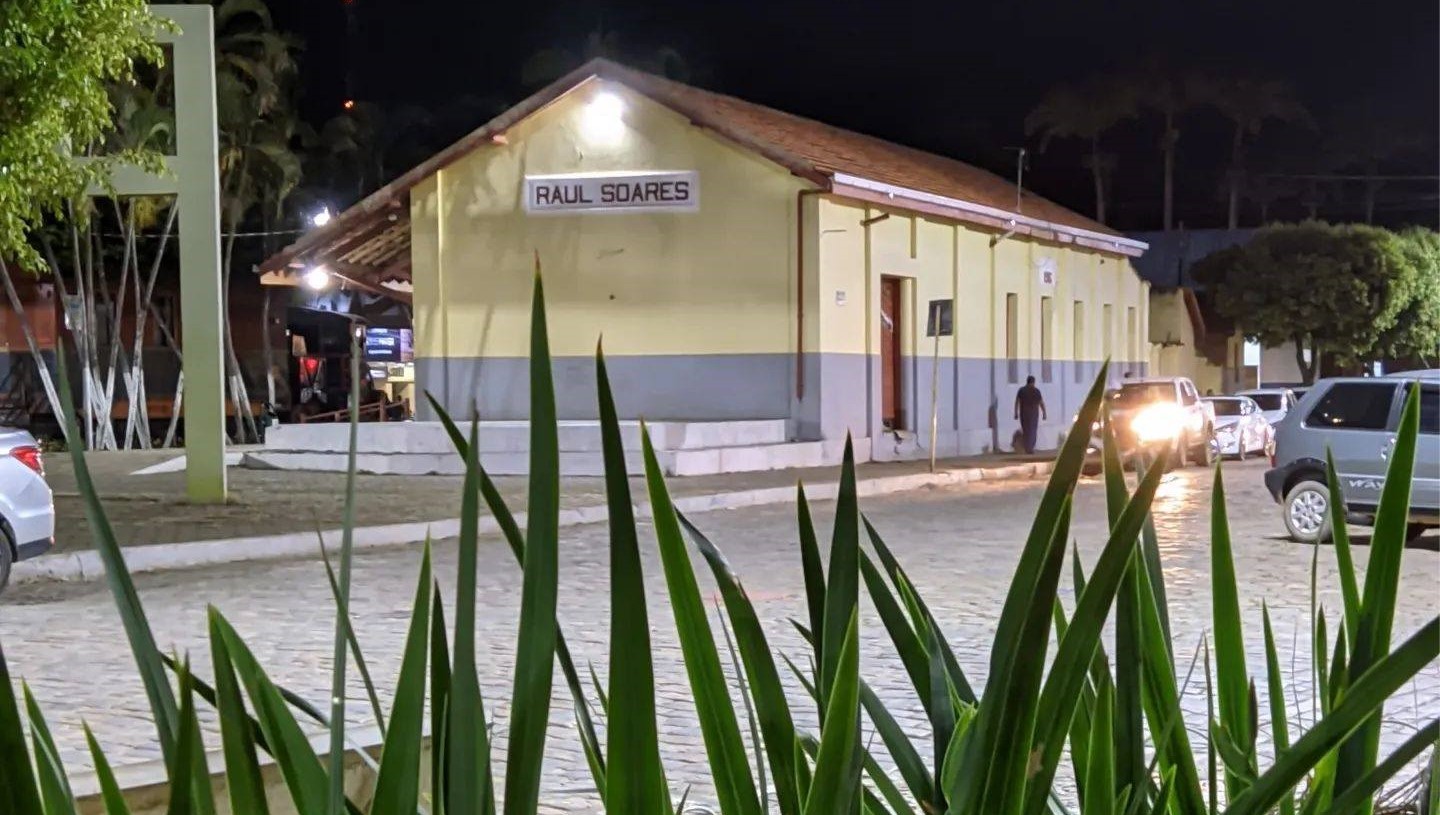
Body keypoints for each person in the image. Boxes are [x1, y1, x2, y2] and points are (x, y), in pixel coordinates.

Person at [1014, 375, 1047, 454]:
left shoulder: (1021, 390)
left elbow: (1017, 402)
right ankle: (1030, 447)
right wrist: (1044, 413)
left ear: (1027, 381)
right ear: (1033, 382)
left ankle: (1028, 448)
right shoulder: (1036, 391)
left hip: (1024, 414)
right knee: (1033, 430)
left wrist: (1016, 413)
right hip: (1034, 414)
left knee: (1026, 430)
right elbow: (1041, 403)